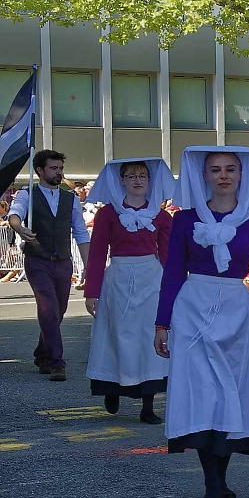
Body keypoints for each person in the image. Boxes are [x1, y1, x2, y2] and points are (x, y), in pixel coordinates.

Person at [155, 147, 249, 498]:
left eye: (230, 169)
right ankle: (212, 482)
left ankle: (220, 478)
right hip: (193, 305)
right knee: (200, 390)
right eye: (215, 169)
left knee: (229, 389)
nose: (223, 176)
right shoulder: (184, 219)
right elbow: (172, 273)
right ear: (203, 176)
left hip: (236, 308)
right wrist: (162, 322)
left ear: (242, 175)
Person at [83, 157, 175, 422]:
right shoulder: (108, 214)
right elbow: (99, 252)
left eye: (142, 176)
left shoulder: (160, 216)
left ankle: (148, 406)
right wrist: (92, 291)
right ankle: (112, 386)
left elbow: (168, 255)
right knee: (117, 335)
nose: (137, 180)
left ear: (150, 181)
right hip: (119, 278)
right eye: (131, 176)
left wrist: (176, 288)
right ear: (121, 180)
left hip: (151, 278)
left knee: (152, 338)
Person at [8, 150, 93, 381]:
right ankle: (57, 362)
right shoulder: (27, 195)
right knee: (48, 309)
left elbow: (81, 233)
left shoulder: (71, 199)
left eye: (60, 168)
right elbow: (14, 216)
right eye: (54, 168)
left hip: (63, 262)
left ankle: (42, 354)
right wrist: (19, 228)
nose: (59, 173)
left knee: (59, 311)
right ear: (40, 171)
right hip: (38, 261)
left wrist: (89, 266)